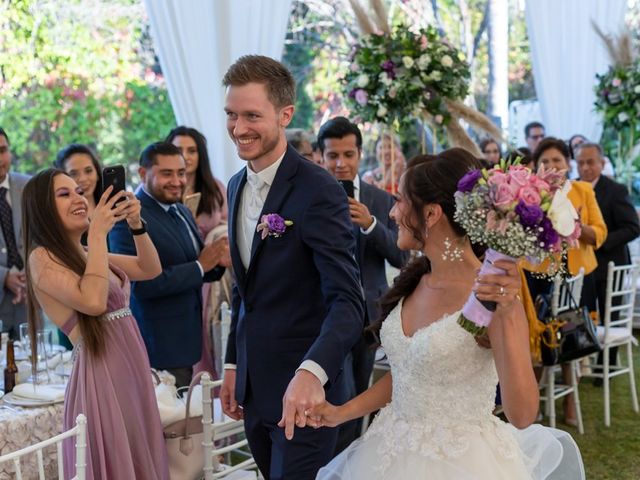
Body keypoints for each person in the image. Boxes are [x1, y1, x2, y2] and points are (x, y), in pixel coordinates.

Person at [312, 149, 584, 480]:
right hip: (389, 453)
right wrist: (341, 413)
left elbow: (524, 414)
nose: (393, 213)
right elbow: (411, 374)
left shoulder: (490, 294)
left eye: (400, 200)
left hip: (463, 462)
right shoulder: (414, 279)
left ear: (431, 214)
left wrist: (509, 312)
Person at [219, 55, 364, 480]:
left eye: (251, 116)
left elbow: (348, 303)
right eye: (231, 115)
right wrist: (232, 365)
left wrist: (311, 372)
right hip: (255, 389)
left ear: (284, 115)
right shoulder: (235, 186)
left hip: (309, 397)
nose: (238, 128)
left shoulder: (318, 190)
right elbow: (246, 291)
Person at [23, 168, 169, 479]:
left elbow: (150, 267)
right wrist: (100, 233)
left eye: (78, 191)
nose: (78, 198)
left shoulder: (90, 253)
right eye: (64, 194)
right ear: (43, 210)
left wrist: (136, 225)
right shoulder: (41, 258)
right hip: (102, 376)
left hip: (132, 371)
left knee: (140, 455)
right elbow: (93, 301)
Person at [317, 116, 409, 450]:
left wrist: (370, 224)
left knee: (359, 391)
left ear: (359, 154)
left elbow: (401, 258)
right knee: (331, 389)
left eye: (348, 155)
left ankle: (351, 459)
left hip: (369, 313)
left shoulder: (381, 200)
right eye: (332, 156)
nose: (340, 164)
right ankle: (328, 460)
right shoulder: (311, 198)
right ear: (321, 156)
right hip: (324, 314)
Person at [109, 142, 229, 388]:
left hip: (188, 338)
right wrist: (199, 266)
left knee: (189, 419)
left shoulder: (181, 210)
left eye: (181, 173)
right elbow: (141, 284)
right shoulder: (127, 220)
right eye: (167, 173)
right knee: (168, 424)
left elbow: (196, 262)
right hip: (158, 344)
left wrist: (217, 262)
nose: (177, 181)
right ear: (143, 174)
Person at [524, 137, 607, 424]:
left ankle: (571, 399)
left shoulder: (582, 191)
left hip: (575, 278)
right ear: (537, 166)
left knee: (570, 337)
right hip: (535, 275)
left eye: (557, 160)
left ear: (568, 163)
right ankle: (530, 401)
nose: (551, 166)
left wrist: (573, 226)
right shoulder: (528, 194)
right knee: (534, 337)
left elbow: (599, 233)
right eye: (545, 161)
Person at [166, 126, 229, 376]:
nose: (186, 155)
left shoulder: (214, 187)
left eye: (192, 150)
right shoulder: (165, 189)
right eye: (179, 150)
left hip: (214, 277)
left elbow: (227, 228)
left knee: (213, 329)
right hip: (181, 271)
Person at [576, 142, 640, 380]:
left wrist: (600, 240)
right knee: (583, 315)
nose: (585, 167)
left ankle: (607, 367)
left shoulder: (615, 190)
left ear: (602, 163)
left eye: (590, 162)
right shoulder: (572, 188)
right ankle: (581, 361)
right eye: (581, 162)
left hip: (608, 264)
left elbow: (632, 228)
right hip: (581, 265)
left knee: (607, 315)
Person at [0, 127, 29, 339]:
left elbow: (44, 236)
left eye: (2, 150)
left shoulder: (29, 186)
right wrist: (4, 276)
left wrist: (33, 271)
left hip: (29, 301)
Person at [55, 144, 104, 220]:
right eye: (73, 174)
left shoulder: (115, 209)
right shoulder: (61, 220)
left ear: (97, 173)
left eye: (88, 171)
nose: (83, 179)